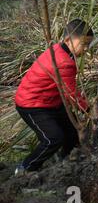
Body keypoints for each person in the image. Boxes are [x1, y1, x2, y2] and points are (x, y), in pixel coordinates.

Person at [14, 19, 93, 175]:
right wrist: (88, 109)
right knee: (53, 138)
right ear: (68, 40)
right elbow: (71, 94)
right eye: (84, 44)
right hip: (32, 104)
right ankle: (25, 168)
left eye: (88, 45)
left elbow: (68, 91)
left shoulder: (60, 50)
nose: (86, 49)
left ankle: (65, 160)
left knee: (72, 131)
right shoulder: (63, 62)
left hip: (51, 101)